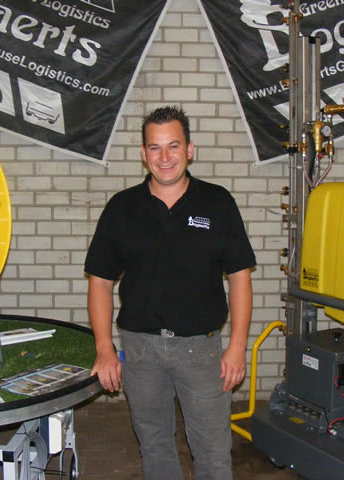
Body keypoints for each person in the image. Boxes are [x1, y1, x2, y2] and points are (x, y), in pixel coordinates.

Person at [84, 105, 256, 480]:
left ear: (190, 150)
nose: (165, 157)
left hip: (202, 351)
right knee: (155, 446)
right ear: (144, 154)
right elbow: (100, 282)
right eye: (155, 147)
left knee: (213, 453)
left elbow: (240, 277)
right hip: (141, 350)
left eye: (173, 146)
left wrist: (237, 347)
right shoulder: (122, 208)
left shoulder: (217, 203)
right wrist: (104, 348)